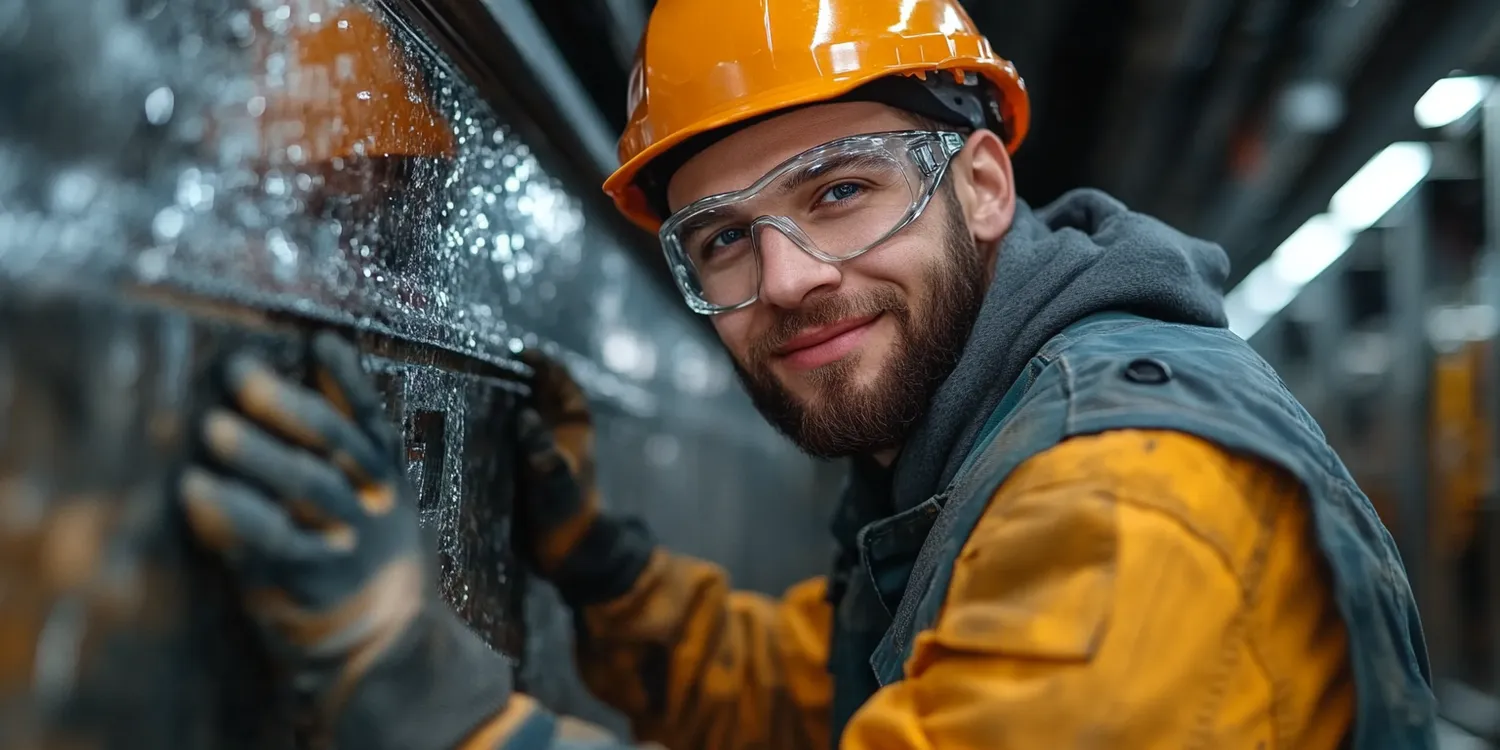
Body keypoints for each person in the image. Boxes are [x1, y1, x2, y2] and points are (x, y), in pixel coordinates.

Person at [176, 0, 1439, 748]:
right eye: (723, 237)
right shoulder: (975, 456)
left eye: (841, 193)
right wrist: (599, 569)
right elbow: (814, 691)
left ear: (984, 186)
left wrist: (422, 691)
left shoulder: (1127, 515)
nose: (787, 280)